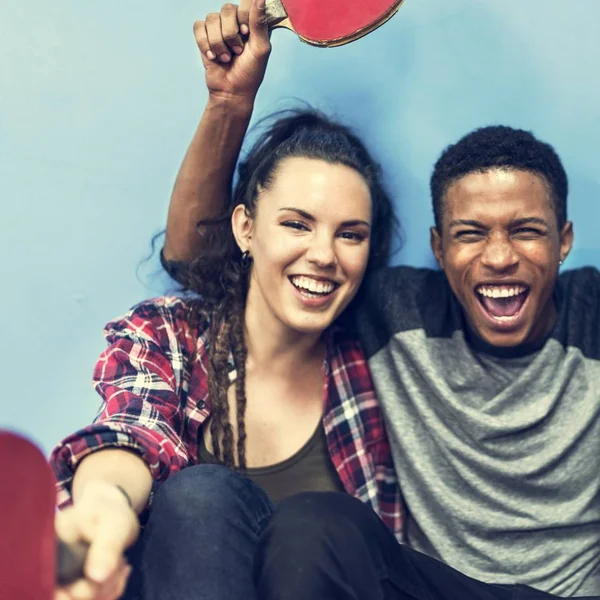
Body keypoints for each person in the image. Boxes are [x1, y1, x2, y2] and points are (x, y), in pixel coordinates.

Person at [159, 1, 600, 599]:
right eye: (472, 234)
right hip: (426, 588)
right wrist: (229, 102)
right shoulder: (390, 311)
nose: (499, 258)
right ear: (438, 249)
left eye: (525, 230)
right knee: (312, 524)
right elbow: (196, 260)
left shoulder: (591, 311)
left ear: (565, 240)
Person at [50, 5, 404, 600]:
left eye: (351, 234)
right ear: (245, 229)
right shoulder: (171, 337)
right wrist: (104, 507)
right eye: (296, 224)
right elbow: (132, 432)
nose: (324, 254)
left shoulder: (384, 352)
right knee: (199, 494)